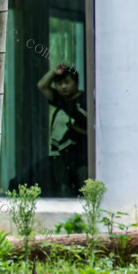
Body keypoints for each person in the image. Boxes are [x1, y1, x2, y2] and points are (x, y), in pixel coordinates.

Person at [36, 63, 89, 197]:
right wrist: (54, 73)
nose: (63, 87)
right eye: (59, 83)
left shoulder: (86, 101)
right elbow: (42, 86)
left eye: (67, 82)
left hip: (82, 156)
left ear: (75, 82)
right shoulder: (60, 100)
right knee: (64, 193)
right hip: (61, 157)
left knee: (84, 191)